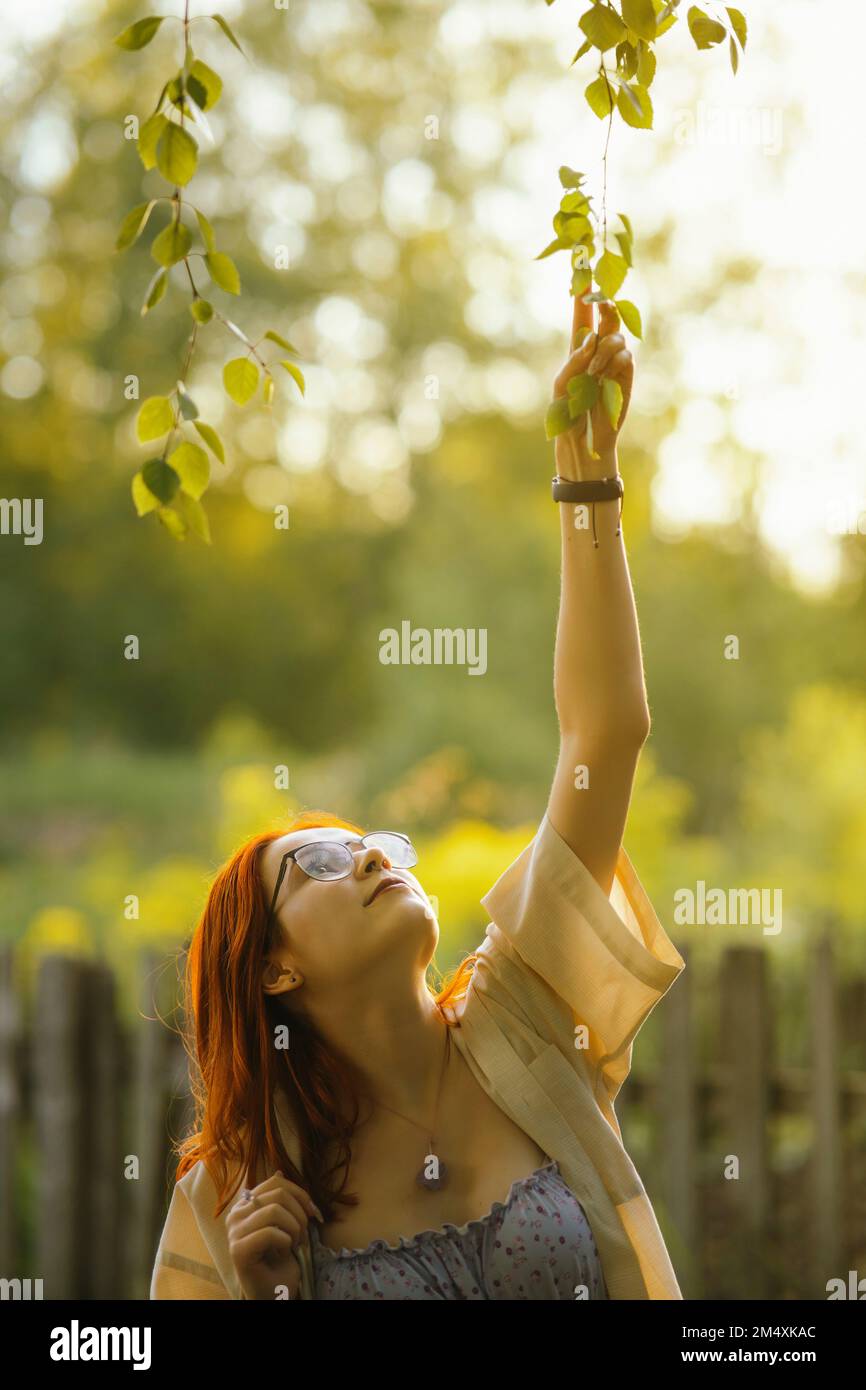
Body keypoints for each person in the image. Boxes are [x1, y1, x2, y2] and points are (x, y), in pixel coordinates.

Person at [151, 294, 686, 1301]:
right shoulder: (229, 1200)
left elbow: (604, 734)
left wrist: (586, 483)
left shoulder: (527, 1013)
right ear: (271, 969)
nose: (366, 856)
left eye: (377, 842)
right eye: (311, 863)